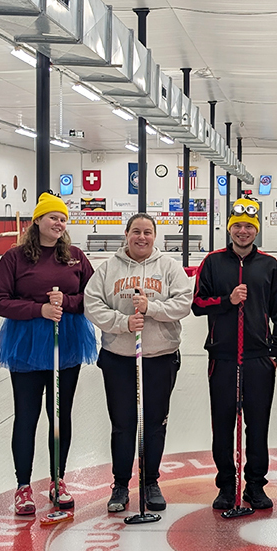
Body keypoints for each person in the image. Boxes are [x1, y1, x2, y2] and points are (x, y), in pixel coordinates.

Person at [0, 192, 96, 516]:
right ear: (37, 221)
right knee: (26, 415)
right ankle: (23, 486)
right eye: (52, 217)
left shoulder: (75, 256)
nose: (58, 223)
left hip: (66, 342)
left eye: (63, 219)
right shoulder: (15, 258)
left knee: (60, 415)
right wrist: (39, 309)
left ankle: (58, 479)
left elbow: (92, 297)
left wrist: (67, 303)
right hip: (26, 342)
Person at [84, 213, 192, 512]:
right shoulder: (108, 268)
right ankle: (120, 485)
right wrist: (123, 322)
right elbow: (91, 304)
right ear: (126, 234)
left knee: (155, 424)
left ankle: (150, 481)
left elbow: (184, 302)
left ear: (154, 236)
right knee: (123, 424)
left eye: (147, 232)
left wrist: (152, 308)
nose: (141, 237)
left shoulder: (169, 267)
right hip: (119, 358)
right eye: (136, 232)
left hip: (159, 357)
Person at [192, 198, 277, 510]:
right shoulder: (213, 262)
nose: (243, 231)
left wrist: (274, 354)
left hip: (258, 359)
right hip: (222, 358)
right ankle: (226, 485)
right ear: (230, 228)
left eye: (249, 226)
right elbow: (198, 304)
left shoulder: (270, 266)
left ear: (256, 230)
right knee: (222, 425)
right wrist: (227, 300)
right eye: (238, 226)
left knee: (257, 425)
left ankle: (256, 485)